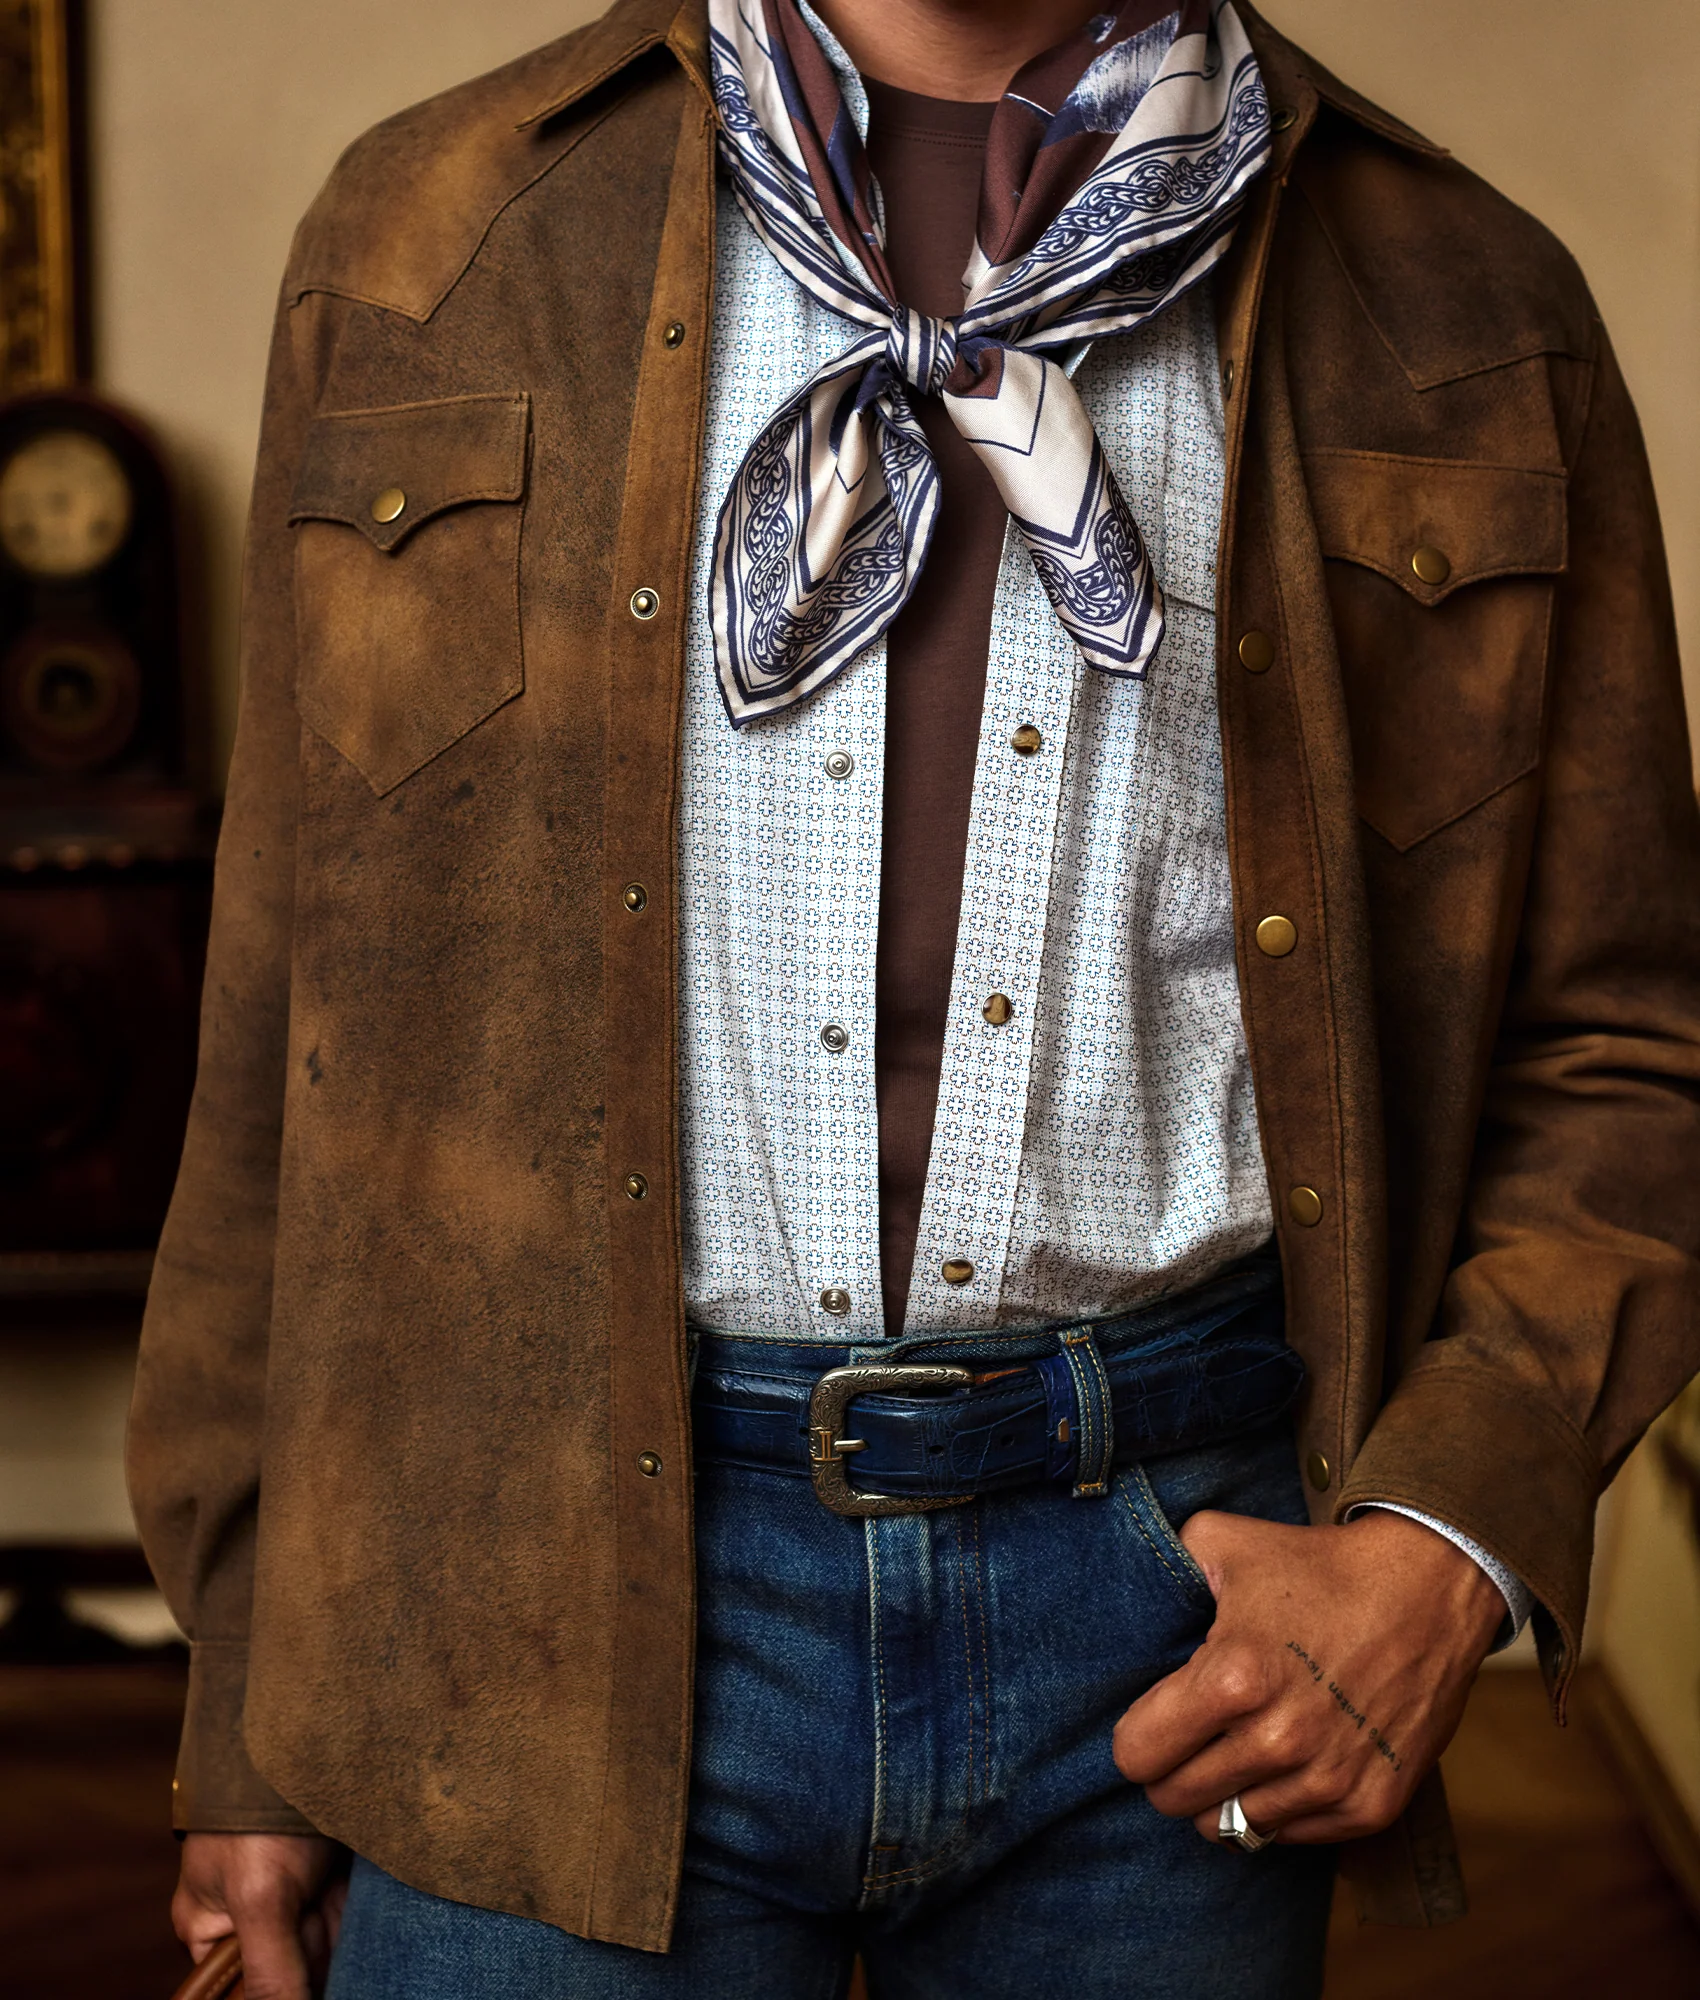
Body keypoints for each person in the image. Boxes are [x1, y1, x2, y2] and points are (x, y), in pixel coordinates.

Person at [129, 0, 1700, 1995]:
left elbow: (1628, 1045)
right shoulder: (434, 233)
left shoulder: (1466, 303)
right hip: (518, 1598)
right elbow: (291, 1027)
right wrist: (249, 1698)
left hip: (1175, 1609)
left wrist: (1441, 1543)